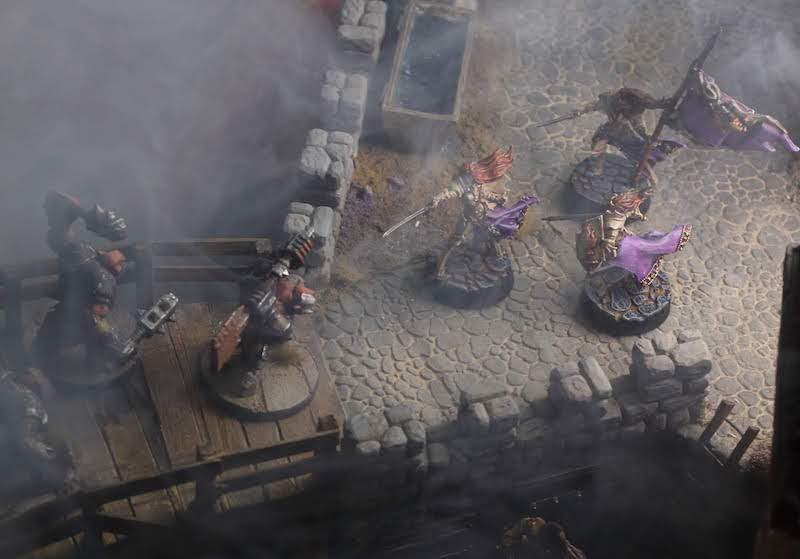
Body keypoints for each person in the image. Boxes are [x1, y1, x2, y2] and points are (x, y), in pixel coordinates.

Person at [34, 191, 133, 365]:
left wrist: (77, 210)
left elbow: (118, 234)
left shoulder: (93, 268)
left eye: (51, 212)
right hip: (78, 300)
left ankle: (108, 351)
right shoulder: (71, 245)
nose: (48, 216)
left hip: (91, 299)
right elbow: (60, 242)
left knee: (94, 327)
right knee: (46, 341)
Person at [430, 146, 539, 278]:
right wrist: (437, 199)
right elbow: (449, 192)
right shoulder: (462, 186)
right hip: (467, 219)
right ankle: (439, 269)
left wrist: (499, 198)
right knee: (453, 242)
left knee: (492, 237)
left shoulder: (479, 185)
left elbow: (486, 195)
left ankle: (495, 258)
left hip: (483, 218)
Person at [579, 88, 684, 184]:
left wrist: (644, 135)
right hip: (609, 130)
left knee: (638, 152)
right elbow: (593, 106)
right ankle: (597, 169)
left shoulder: (637, 105)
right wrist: (578, 112)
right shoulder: (610, 99)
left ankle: (647, 174)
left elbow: (638, 121)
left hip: (621, 132)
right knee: (598, 144)